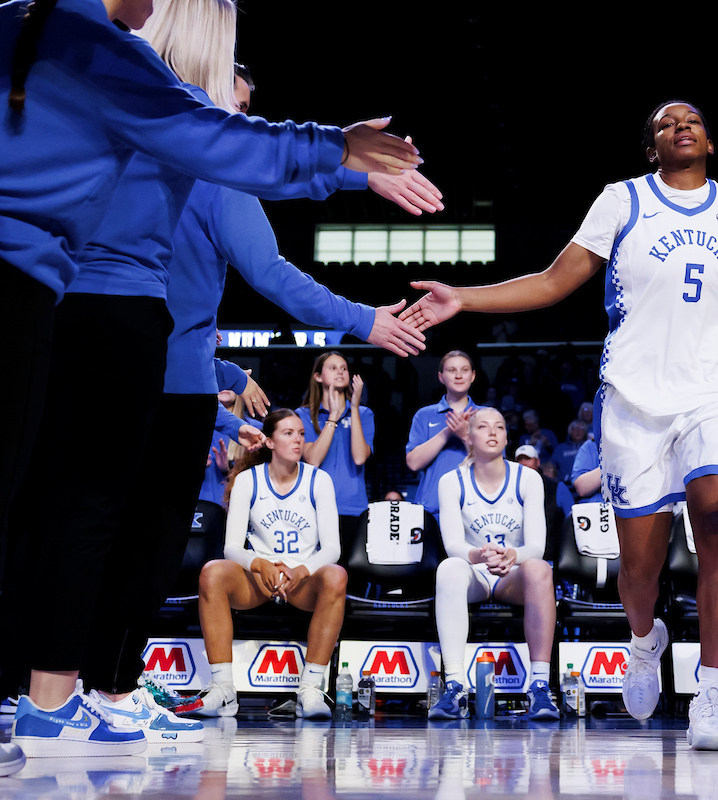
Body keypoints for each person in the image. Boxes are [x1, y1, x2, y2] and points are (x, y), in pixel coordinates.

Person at [1, 0, 420, 759]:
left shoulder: (53, 56)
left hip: (61, 314)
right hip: (133, 342)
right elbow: (248, 196)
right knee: (119, 535)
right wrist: (347, 175)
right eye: (237, 102)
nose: (239, 117)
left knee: (50, 519)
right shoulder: (158, 108)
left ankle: (49, 689)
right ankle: (89, 691)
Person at [399, 100, 718, 750]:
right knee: (639, 571)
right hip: (633, 398)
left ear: (710, 141)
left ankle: (711, 698)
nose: (681, 127)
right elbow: (554, 281)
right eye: (665, 125)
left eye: (692, 121)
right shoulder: (622, 201)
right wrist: (465, 298)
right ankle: (645, 640)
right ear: (652, 149)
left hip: (717, 388)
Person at [185, 409, 345, 720]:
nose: (298, 440)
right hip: (260, 579)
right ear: (269, 442)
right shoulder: (248, 480)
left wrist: (301, 570)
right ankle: (223, 689)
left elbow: (332, 549)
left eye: (301, 433)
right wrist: (260, 564)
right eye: (288, 433)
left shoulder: (318, 480)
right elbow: (231, 548)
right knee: (212, 572)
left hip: (302, 580)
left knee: (336, 576)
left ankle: (310, 689)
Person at [427, 408, 560, 722]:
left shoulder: (528, 478)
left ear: (506, 437)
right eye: (483, 427)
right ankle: (455, 686)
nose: (492, 432)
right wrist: (480, 555)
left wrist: (512, 555)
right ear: (469, 437)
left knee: (541, 568)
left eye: (499, 427)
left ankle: (540, 686)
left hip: (513, 574)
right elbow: (453, 545)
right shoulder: (451, 481)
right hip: (475, 573)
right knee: (448, 568)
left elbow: (536, 547)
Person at [299, 352, 375, 553]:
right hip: (315, 508)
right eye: (332, 368)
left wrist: (355, 408)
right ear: (318, 376)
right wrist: (333, 416)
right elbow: (313, 459)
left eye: (344, 368)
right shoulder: (304, 415)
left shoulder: (364, 414)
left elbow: (359, 457)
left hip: (354, 508)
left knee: (352, 571)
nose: (340, 372)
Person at [406, 351, 480, 523]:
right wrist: (447, 432)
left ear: (473, 376)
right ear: (441, 376)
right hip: (432, 510)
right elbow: (413, 463)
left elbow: (495, 466)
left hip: (476, 511)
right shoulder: (424, 415)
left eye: (464, 370)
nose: (458, 375)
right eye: (452, 370)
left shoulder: (486, 415)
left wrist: (464, 435)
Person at [515, 444, 569, 544]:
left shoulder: (556, 487)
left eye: (527, 459)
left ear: (538, 462)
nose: (523, 463)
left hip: (550, 551)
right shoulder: (509, 488)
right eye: (519, 460)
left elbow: (571, 520)